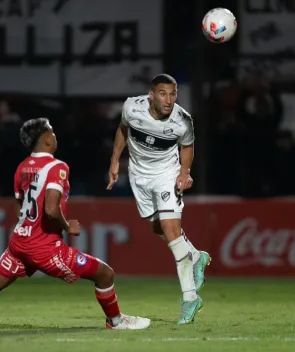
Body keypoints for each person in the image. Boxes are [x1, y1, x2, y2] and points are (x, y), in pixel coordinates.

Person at [0, 118, 150, 332]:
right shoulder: (58, 167)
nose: (56, 137)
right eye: (53, 132)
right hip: (43, 247)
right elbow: (50, 208)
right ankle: (115, 321)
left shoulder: (22, 167)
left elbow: (19, 205)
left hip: (20, 242)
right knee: (104, 273)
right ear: (47, 138)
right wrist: (68, 226)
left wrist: (27, 229)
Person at [107, 74, 210, 325]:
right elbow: (123, 129)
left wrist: (184, 173)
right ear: (151, 94)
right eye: (163, 93)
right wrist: (114, 161)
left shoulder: (182, 120)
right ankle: (196, 256)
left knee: (171, 231)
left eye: (173, 94)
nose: (169, 100)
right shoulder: (132, 107)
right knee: (157, 226)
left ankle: (190, 297)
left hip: (166, 174)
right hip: (139, 175)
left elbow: (187, 146)